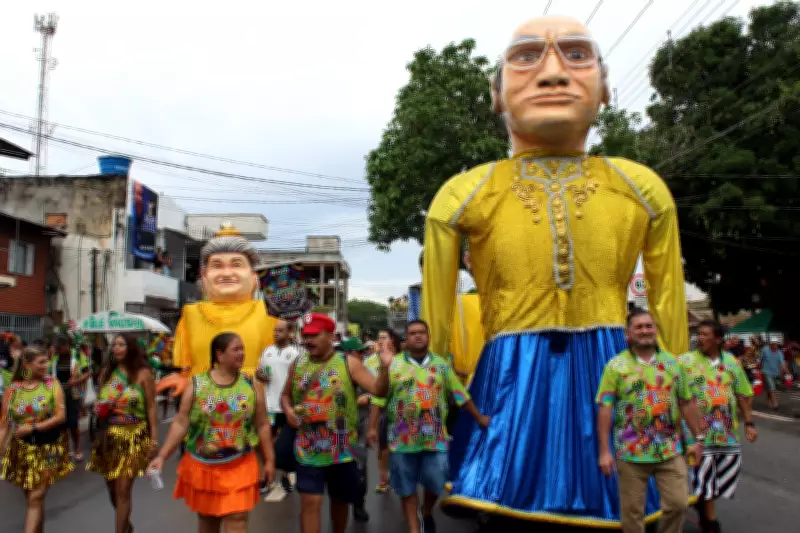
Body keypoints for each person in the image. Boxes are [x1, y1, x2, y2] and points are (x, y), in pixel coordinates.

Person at [423, 15, 690, 527]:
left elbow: (668, 299)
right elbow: (436, 309)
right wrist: (432, 388)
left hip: (613, 371)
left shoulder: (640, 187)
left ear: (605, 88)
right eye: (526, 57)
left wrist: (679, 384)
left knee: (625, 507)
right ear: (497, 93)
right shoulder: (464, 192)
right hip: (510, 376)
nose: (552, 73)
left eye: (576, 54)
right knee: (505, 515)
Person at [148, 332, 276, 533]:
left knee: (238, 518)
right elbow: (181, 422)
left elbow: (262, 424)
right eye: (236, 349)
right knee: (208, 522)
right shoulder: (198, 384)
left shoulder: (251, 385)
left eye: (243, 348)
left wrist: (269, 460)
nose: (242, 353)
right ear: (220, 355)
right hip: (204, 468)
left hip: (240, 465)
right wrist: (162, 456)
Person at [372, 320, 490, 533]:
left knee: (436, 481)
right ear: (406, 339)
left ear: (428, 336)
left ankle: (426, 511)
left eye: (422, 332)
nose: (417, 336)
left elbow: (459, 394)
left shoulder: (441, 365)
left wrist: (479, 417)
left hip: (434, 438)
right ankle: (414, 527)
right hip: (402, 439)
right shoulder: (394, 363)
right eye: (412, 333)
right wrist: (384, 367)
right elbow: (378, 395)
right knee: (406, 487)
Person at [281, 313, 392, 533]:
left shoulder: (348, 362)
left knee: (340, 503)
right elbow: (285, 395)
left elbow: (378, 390)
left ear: (331, 337)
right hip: (308, 449)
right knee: (310, 503)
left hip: (342, 451)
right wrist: (288, 411)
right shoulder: (298, 363)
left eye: (314, 335)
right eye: (305, 335)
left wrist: (385, 367)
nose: (307, 340)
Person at [596, 310, 704, 533]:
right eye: (638, 327)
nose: (645, 331)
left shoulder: (673, 364)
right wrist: (604, 451)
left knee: (678, 504)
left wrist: (698, 438)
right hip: (630, 453)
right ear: (628, 333)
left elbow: (687, 402)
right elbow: (605, 408)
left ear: (655, 330)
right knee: (633, 513)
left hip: (670, 450)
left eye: (648, 326)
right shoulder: (615, 366)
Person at [156, 223, 278, 398]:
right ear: (204, 278)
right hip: (203, 400)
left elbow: (276, 366)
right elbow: (185, 368)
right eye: (217, 266)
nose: (226, 273)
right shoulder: (191, 315)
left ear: (254, 278)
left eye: (236, 265)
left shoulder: (265, 315)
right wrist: (183, 378)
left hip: (250, 399)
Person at [679, 320, 757, 533]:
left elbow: (743, 393)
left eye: (705, 334)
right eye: (698, 334)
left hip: (727, 435)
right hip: (696, 436)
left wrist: (749, 422)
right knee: (704, 481)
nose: (699, 338)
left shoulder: (731, 362)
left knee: (722, 479)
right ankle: (711, 523)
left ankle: (701, 505)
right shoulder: (684, 361)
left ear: (718, 339)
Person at [88, 334, 159, 533]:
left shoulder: (143, 374)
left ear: (132, 348)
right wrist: (98, 408)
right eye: (115, 345)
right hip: (108, 437)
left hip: (134, 436)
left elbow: (152, 408)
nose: (117, 348)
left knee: (123, 490)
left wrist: (154, 440)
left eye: (122, 344)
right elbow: (100, 401)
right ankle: (126, 526)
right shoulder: (106, 373)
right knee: (112, 490)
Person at [0, 346, 73, 532]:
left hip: (48, 447)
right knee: (32, 499)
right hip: (22, 450)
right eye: (41, 362)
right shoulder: (13, 389)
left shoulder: (52, 384)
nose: (46, 365)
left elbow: (60, 416)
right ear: (27, 364)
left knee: (36, 497)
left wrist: (32, 427)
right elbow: (4, 425)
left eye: (46, 361)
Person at [256, 319, 300, 496]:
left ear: (289, 332)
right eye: (275, 331)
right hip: (269, 406)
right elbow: (259, 371)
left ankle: (285, 475)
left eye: (280, 331)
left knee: (287, 444)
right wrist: (259, 375)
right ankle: (267, 477)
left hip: (288, 406)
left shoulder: (296, 353)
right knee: (266, 442)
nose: (276, 333)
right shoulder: (267, 351)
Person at [340, 337, 372, 522]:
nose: (363, 355)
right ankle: (342, 504)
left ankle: (359, 504)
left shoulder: (364, 369)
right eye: (359, 352)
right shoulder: (336, 373)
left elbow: (378, 390)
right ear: (349, 354)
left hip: (360, 426)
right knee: (341, 469)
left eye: (363, 351)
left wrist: (367, 396)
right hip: (340, 429)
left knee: (360, 468)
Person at [367, 329, 402, 493]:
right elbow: (366, 387)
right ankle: (383, 479)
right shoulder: (369, 362)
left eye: (384, 338)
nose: (380, 341)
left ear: (392, 341)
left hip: (401, 412)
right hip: (380, 410)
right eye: (378, 338)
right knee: (383, 448)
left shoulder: (402, 361)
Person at [52, 334, 91, 462]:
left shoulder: (78, 355)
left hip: (73, 394)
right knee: (61, 423)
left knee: (73, 423)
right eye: (56, 348)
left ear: (67, 346)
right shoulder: (54, 356)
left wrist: (77, 380)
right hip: (57, 395)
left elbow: (87, 373)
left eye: (60, 348)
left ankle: (77, 447)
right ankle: (66, 449)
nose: (58, 351)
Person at [758, 340, 788, 409]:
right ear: (770, 344)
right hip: (766, 372)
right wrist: (758, 369)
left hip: (776, 373)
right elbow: (760, 359)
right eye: (773, 344)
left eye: (776, 344)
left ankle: (767, 401)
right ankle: (775, 403)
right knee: (772, 387)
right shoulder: (765, 350)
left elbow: (783, 364)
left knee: (770, 388)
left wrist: (787, 373)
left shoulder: (779, 352)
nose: (775, 345)